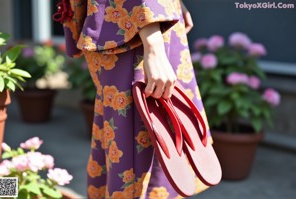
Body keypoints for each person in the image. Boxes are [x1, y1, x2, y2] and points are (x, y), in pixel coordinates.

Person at [54, 0, 211, 198]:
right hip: (139, 27)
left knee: (153, 139)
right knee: (137, 143)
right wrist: (153, 46)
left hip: (151, 18)